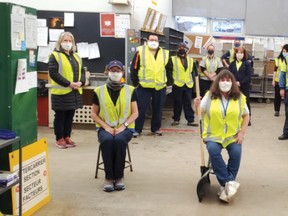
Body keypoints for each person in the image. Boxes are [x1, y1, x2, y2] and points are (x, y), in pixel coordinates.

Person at [194, 69, 250, 203]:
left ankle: (226, 186)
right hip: (214, 135)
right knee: (213, 150)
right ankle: (228, 184)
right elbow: (200, 113)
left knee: (236, 152)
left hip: (232, 136)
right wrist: (196, 105)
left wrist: (242, 132)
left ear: (232, 82)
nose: (225, 82)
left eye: (228, 80)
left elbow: (246, 115)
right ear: (217, 82)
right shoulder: (209, 96)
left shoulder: (240, 98)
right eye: (222, 80)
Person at [91, 60, 138, 192]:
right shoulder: (98, 91)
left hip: (126, 128)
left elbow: (135, 113)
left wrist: (124, 126)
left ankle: (119, 177)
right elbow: (94, 114)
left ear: (122, 72)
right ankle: (108, 177)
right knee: (106, 140)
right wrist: (106, 127)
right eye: (113, 71)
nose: (115, 73)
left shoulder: (131, 90)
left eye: (118, 71)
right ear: (107, 72)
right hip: (105, 127)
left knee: (119, 140)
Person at [130, 33, 173, 137]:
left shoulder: (165, 53)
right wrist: (136, 83)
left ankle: (156, 129)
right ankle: (137, 130)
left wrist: (168, 83)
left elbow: (169, 69)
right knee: (141, 108)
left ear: (158, 42)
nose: (154, 42)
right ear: (147, 40)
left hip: (160, 86)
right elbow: (134, 68)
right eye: (152, 39)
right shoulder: (140, 52)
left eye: (156, 40)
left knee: (158, 109)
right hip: (143, 86)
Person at [48, 31, 85, 149]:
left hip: (74, 92)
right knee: (60, 116)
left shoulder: (76, 56)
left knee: (70, 116)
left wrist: (81, 82)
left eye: (70, 41)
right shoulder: (55, 55)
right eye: (65, 41)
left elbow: (82, 72)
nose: (68, 43)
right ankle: (59, 138)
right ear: (60, 42)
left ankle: (67, 136)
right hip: (61, 92)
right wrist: (69, 83)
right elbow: (53, 73)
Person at [171, 42, 198, 126]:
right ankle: (176, 119)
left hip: (188, 85)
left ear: (186, 50)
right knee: (177, 102)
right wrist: (171, 82)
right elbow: (169, 72)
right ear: (177, 49)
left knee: (188, 103)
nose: (182, 49)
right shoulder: (172, 59)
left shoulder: (191, 60)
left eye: (183, 48)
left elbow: (194, 73)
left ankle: (190, 120)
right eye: (180, 48)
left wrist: (195, 84)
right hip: (177, 85)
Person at [228, 46, 252, 126]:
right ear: (235, 54)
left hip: (244, 85)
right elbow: (229, 74)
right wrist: (234, 82)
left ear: (244, 54)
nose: (239, 54)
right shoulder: (232, 64)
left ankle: (248, 119)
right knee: (233, 100)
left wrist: (240, 83)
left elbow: (248, 76)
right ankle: (233, 117)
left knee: (246, 101)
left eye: (241, 53)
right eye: (238, 53)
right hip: (233, 85)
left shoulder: (247, 64)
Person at [273, 44, 288, 117]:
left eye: (286, 51)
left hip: (286, 82)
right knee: (277, 96)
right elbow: (275, 71)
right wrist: (273, 80)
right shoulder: (278, 59)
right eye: (283, 51)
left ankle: (286, 112)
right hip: (278, 80)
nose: (284, 53)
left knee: (286, 99)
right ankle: (277, 110)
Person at [278, 45, 288, 140]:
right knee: (287, 111)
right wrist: (281, 87)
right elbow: (282, 74)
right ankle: (286, 132)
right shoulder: (286, 59)